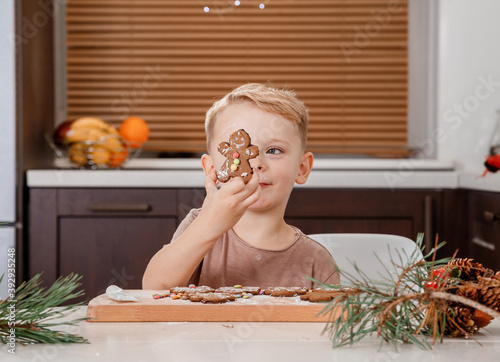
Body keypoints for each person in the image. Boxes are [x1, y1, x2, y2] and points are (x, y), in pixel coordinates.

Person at [142, 83, 339, 289]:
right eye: (239, 152)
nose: (255, 163)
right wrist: (209, 225)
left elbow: (331, 321)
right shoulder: (198, 224)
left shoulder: (317, 261)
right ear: (212, 169)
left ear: (302, 168)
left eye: (273, 150)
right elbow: (153, 288)